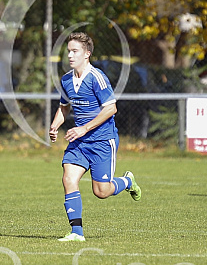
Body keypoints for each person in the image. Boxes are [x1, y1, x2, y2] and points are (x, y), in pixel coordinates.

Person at [49, 32, 141, 241]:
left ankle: (127, 181)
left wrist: (84, 128)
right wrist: (54, 126)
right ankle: (76, 233)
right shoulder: (66, 80)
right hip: (79, 143)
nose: (70, 55)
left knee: (101, 191)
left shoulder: (97, 78)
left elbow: (111, 109)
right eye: (69, 51)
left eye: (75, 51)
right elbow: (63, 108)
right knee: (68, 179)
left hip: (102, 141)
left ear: (87, 54)